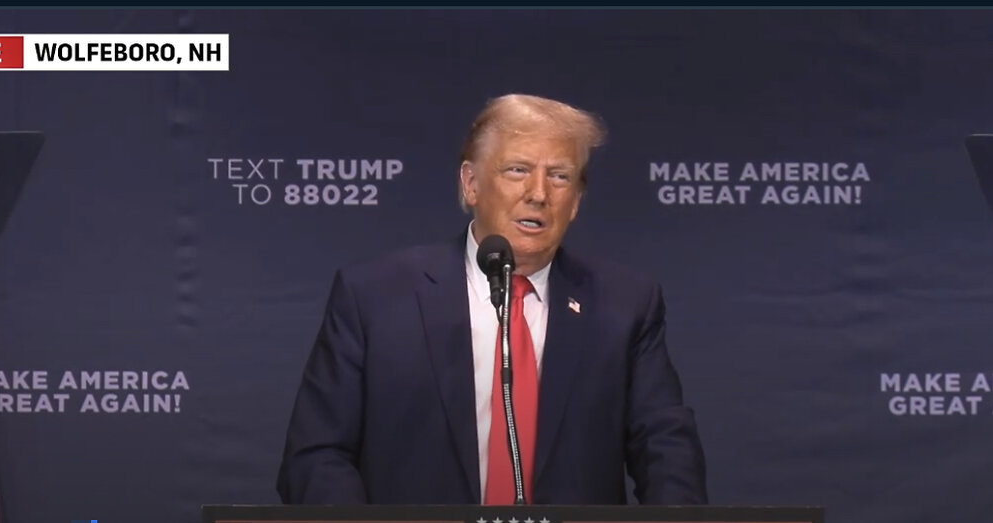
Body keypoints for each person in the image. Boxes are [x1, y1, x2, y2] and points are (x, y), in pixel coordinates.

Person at [277, 93, 708, 505]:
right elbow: (317, 456)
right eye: (518, 170)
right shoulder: (375, 295)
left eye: (559, 176)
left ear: (576, 201)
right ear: (471, 184)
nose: (539, 193)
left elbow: (666, 449)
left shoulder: (625, 304)